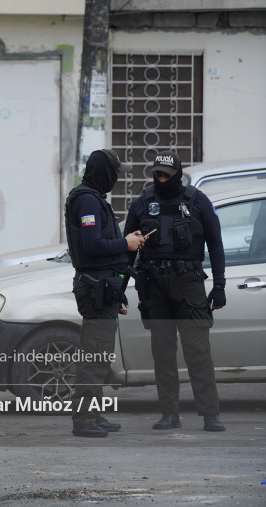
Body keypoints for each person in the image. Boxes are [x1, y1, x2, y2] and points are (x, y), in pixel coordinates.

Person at [124, 150, 227, 432]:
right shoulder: (142, 204)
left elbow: (216, 245)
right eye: (157, 174)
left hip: (189, 283)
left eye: (167, 175)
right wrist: (120, 288)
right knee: (163, 352)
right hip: (155, 286)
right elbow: (128, 251)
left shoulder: (197, 201)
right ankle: (169, 414)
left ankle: (210, 415)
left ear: (178, 174)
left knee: (198, 351)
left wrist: (219, 287)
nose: (161, 179)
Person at [64, 149, 145, 438]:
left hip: (104, 287)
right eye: (115, 172)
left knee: (100, 356)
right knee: (93, 355)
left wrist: (117, 292)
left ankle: (94, 415)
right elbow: (93, 245)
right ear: (103, 171)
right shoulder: (86, 200)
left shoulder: (94, 198)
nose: (117, 177)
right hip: (95, 286)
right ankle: (83, 420)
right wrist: (126, 243)